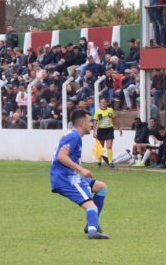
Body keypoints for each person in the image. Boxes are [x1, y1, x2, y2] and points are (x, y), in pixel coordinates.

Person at [50, 109, 109, 239]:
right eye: (89, 122)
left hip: (69, 177)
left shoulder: (73, 135)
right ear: (82, 123)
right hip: (66, 179)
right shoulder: (74, 136)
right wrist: (81, 169)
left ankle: (91, 225)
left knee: (101, 188)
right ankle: (93, 231)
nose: (92, 125)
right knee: (91, 206)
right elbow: (61, 156)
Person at [93, 97, 119, 168]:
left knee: (109, 146)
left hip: (109, 130)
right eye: (102, 102)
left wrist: (119, 128)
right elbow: (95, 122)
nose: (103, 104)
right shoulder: (97, 111)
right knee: (100, 147)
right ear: (100, 104)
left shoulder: (110, 110)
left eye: (104, 102)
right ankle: (99, 161)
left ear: (107, 103)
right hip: (101, 130)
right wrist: (94, 132)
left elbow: (114, 119)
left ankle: (110, 162)